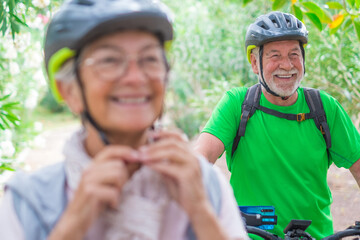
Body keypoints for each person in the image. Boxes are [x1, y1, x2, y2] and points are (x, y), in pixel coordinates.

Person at [0, 0, 249, 239]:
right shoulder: (28, 202)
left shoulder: (206, 184)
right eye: (109, 60)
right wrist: (73, 225)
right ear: (69, 90)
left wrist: (201, 213)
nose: (135, 77)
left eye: (150, 59)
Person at [195, 11, 360, 239]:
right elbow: (199, 160)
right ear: (255, 62)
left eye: (294, 54)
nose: (287, 65)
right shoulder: (238, 105)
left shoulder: (324, 108)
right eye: (275, 56)